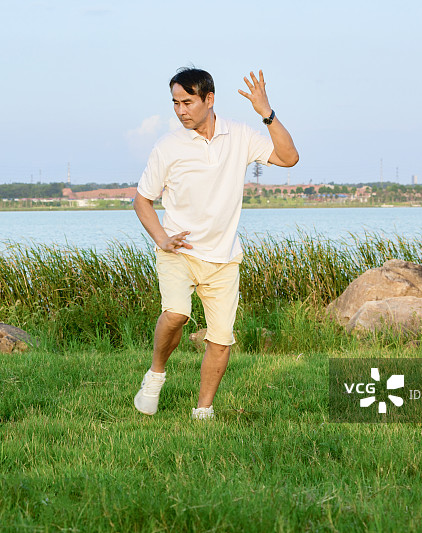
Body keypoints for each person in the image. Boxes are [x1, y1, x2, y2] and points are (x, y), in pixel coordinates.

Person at [133, 67, 299, 420]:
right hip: (179, 251)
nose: (181, 111)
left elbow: (289, 158)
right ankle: (156, 374)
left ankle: (203, 411)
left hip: (224, 257)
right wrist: (162, 238)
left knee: (220, 340)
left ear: (209, 100)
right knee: (176, 313)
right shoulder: (168, 146)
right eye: (176, 103)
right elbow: (142, 200)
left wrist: (266, 113)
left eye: (188, 102)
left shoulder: (239, 136)